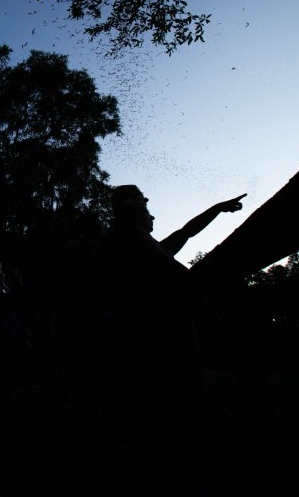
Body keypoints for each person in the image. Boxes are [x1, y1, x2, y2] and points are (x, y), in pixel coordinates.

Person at [96, 185, 245, 492]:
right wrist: (208, 297)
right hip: (161, 339)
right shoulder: (132, 239)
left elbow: (186, 232)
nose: (151, 211)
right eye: (144, 204)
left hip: (155, 338)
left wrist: (218, 208)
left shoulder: (137, 242)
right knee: (177, 409)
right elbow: (178, 273)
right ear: (129, 207)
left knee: (166, 411)